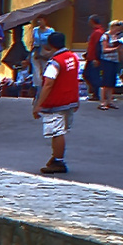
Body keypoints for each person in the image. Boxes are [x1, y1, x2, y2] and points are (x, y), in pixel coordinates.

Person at [34, 30, 81, 175]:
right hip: (70, 99)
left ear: (49, 46)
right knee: (62, 130)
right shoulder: (72, 57)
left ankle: (58, 161)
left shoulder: (55, 63)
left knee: (56, 132)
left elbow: (48, 84)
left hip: (56, 102)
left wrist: (38, 105)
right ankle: (56, 157)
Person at [85, 17, 108, 105]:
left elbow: (97, 47)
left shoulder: (98, 32)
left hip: (94, 58)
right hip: (90, 57)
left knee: (94, 76)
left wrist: (96, 58)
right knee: (88, 75)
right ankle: (96, 92)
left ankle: (97, 93)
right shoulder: (96, 32)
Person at [106, 20, 123, 104]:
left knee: (110, 78)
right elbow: (122, 50)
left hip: (109, 59)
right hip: (117, 59)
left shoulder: (108, 35)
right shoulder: (121, 37)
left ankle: (108, 95)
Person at [28, 13, 54, 89]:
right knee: (36, 70)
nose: (39, 22)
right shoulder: (35, 30)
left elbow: (52, 42)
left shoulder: (51, 30)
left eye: (41, 20)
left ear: (45, 21)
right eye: (38, 20)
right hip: (36, 51)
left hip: (46, 52)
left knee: (45, 69)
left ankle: (45, 86)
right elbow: (32, 42)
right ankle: (38, 87)